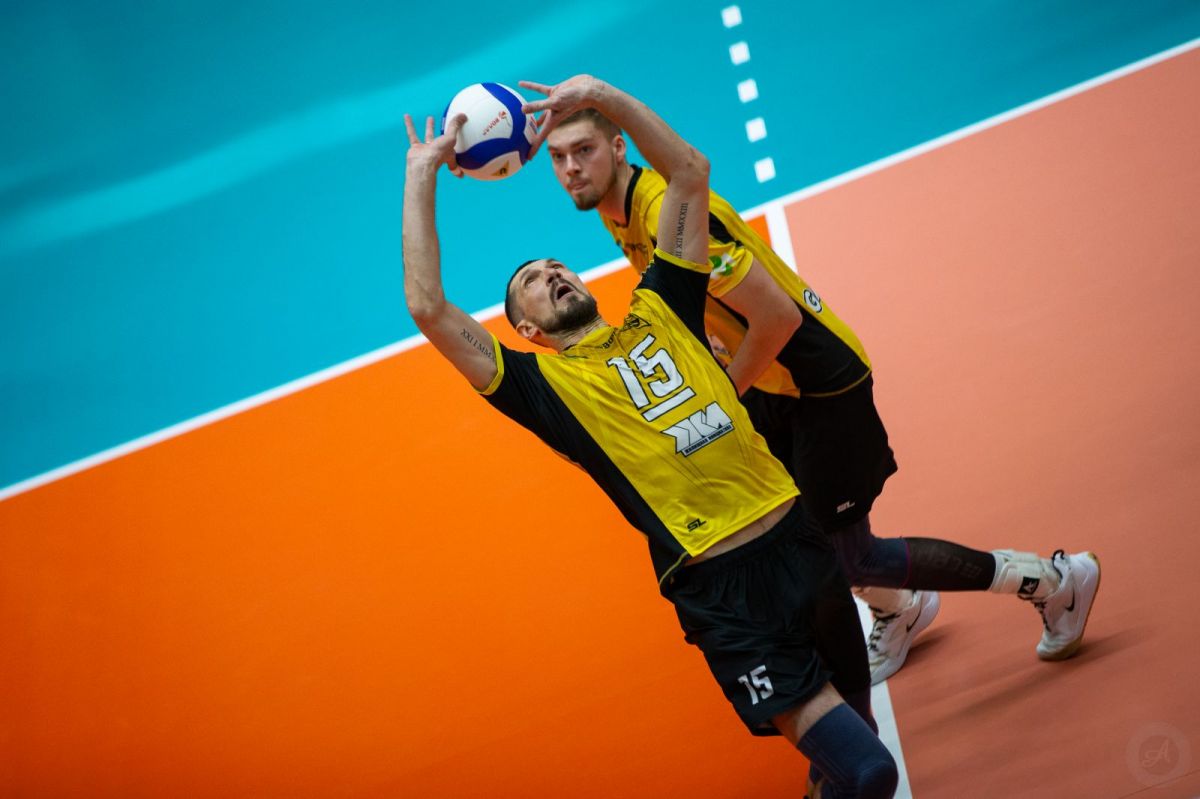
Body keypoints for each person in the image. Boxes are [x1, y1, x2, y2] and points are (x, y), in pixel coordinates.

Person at [403, 75, 898, 798]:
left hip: (799, 540)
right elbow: (429, 307)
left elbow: (690, 173)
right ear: (528, 330)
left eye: (557, 266)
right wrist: (422, 175)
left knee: (855, 744)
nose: (553, 274)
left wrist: (605, 96)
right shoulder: (542, 389)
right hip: (723, 586)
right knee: (870, 769)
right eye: (534, 281)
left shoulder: (664, 304)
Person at [539, 108, 1102, 682]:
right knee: (797, 531)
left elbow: (778, 318)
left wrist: (723, 393)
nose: (571, 168)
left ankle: (1054, 581)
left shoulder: (667, 212)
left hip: (816, 378)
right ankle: (900, 608)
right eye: (558, 158)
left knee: (852, 554)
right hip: (769, 379)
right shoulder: (620, 212)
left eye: (583, 150)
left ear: (618, 147)